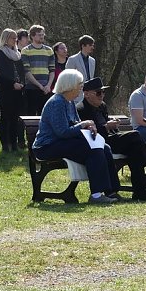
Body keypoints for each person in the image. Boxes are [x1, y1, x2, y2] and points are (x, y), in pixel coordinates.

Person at [33, 69, 120, 204]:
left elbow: (75, 123)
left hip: (62, 142)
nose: (81, 87)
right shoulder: (57, 102)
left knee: (105, 148)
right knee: (93, 151)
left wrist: (88, 126)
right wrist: (83, 124)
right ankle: (96, 195)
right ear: (70, 85)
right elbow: (62, 132)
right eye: (79, 84)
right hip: (47, 146)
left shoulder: (69, 102)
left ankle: (111, 191)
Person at [78, 77, 146, 200]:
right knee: (135, 135)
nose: (102, 95)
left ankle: (140, 192)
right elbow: (87, 134)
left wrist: (112, 125)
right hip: (100, 144)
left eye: (103, 92)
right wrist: (106, 127)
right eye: (98, 93)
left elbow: (107, 125)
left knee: (135, 151)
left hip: (111, 139)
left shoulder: (102, 106)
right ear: (87, 94)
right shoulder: (81, 109)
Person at [0, 28, 25, 152]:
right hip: (6, 90)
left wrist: (21, 83)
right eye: (13, 38)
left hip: (18, 90)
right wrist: (12, 83)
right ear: (6, 39)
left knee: (15, 118)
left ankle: (14, 143)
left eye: (16, 38)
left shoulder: (18, 53)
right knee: (6, 117)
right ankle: (5, 145)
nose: (15, 40)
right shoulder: (0, 52)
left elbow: (21, 71)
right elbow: (2, 72)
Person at [22, 24, 55, 115]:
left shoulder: (49, 50)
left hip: (46, 89)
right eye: (39, 35)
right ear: (32, 36)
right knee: (31, 115)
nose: (42, 36)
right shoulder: (26, 50)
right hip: (31, 88)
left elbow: (52, 70)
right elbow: (27, 72)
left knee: (45, 115)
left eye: (43, 34)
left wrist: (48, 85)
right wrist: (40, 86)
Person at [65, 35, 96, 104]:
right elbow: (68, 78)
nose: (92, 47)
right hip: (76, 96)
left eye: (93, 45)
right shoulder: (72, 59)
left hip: (89, 96)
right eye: (90, 45)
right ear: (83, 46)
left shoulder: (92, 61)